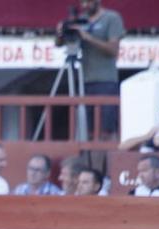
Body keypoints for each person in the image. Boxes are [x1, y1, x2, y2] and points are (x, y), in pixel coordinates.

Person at [56, 0, 124, 138]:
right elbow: (58, 44)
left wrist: (88, 38)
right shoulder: (81, 20)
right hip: (84, 80)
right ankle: (89, 157)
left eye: (88, 2)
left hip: (105, 80)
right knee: (89, 129)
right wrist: (61, 32)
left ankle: (106, 157)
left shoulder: (112, 18)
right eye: (83, 3)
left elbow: (113, 50)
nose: (85, 6)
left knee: (106, 129)